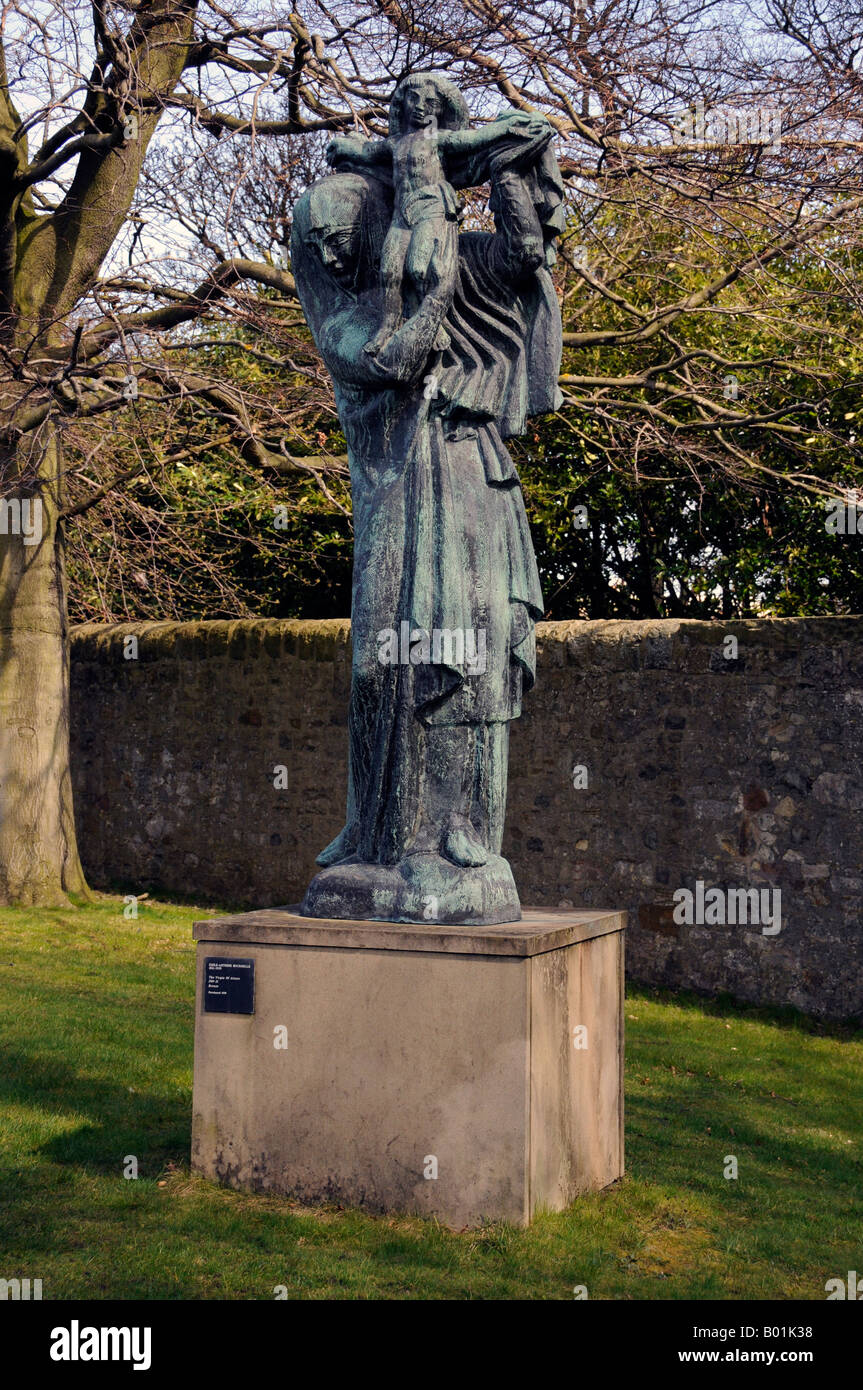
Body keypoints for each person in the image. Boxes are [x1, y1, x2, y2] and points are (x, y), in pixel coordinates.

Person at [291, 112, 563, 923]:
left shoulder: (441, 260)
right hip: (403, 495)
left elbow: (520, 258)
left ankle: (459, 846)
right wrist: (429, 203)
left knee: (470, 657)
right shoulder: (344, 320)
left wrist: (501, 165)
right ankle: (386, 840)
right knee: (389, 665)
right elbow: (401, 356)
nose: (329, 251)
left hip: (471, 482)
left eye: (338, 232)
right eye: (317, 241)